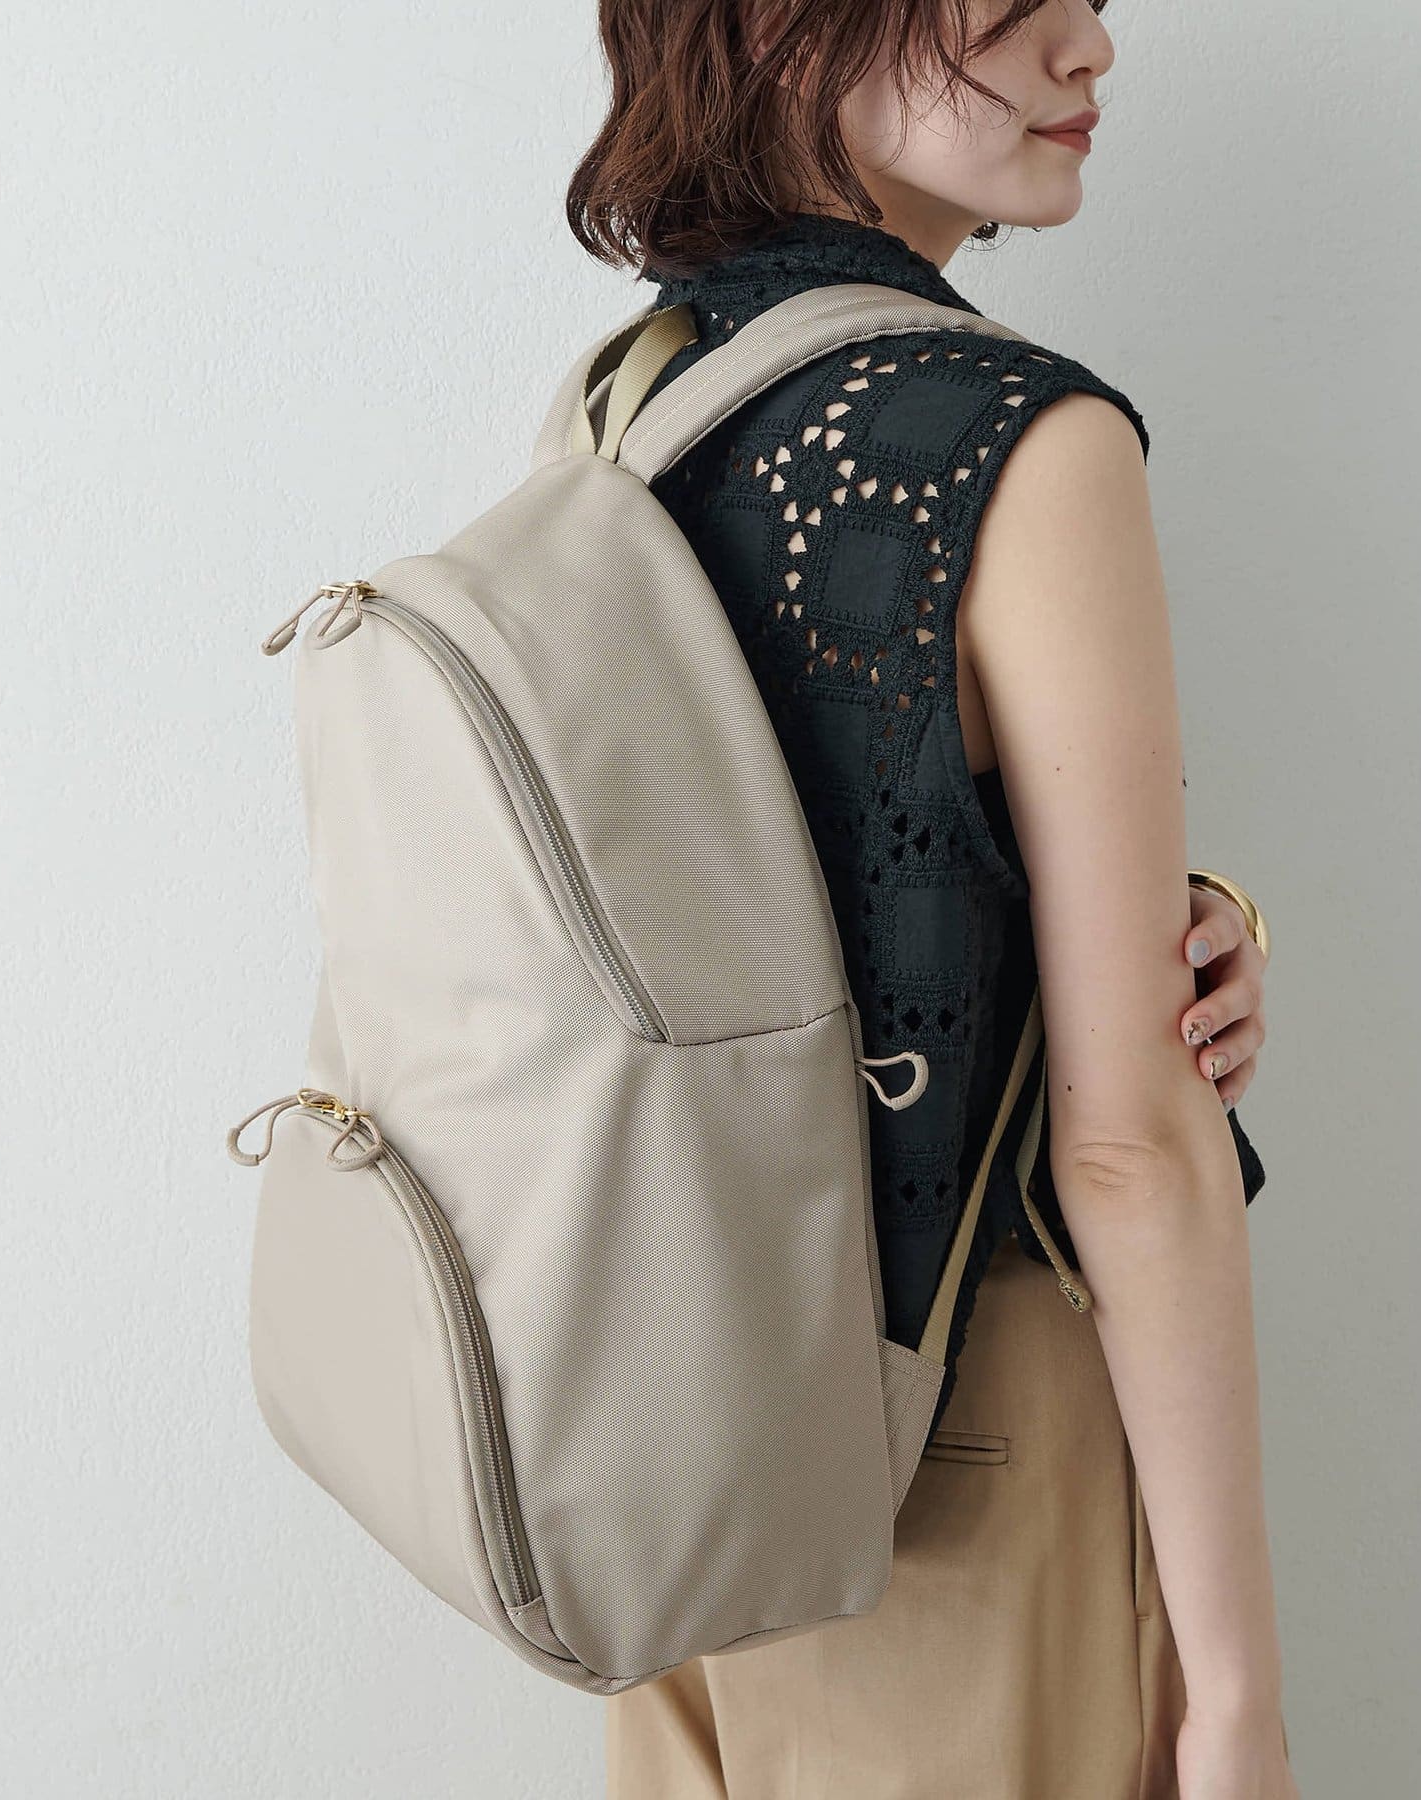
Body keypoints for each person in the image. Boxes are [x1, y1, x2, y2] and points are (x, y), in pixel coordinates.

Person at [565, 2, 1297, 1797]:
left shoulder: (632, 403)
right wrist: (1236, 1703)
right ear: (786, 28)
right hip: (957, 1456)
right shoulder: (1023, 443)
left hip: (675, 1446)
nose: (1091, 45)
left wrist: (1122, 917)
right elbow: (1126, 1151)